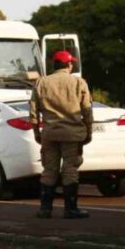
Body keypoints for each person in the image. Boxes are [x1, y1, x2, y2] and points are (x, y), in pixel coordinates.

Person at [30, 50, 93, 219]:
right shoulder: (79, 83)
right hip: (72, 135)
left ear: (54, 65)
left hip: (49, 134)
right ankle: (71, 209)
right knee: (70, 170)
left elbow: (33, 111)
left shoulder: (41, 83)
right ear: (69, 65)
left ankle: (45, 209)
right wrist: (88, 132)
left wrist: (37, 132)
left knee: (49, 169)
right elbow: (87, 111)